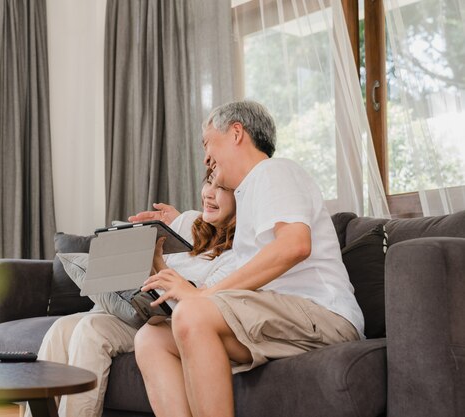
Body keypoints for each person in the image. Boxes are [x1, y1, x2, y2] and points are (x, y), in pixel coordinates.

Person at [133, 100, 364, 417]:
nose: (206, 158)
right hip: (276, 317)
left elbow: (295, 245)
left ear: (237, 133)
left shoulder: (273, 171)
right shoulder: (247, 196)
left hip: (323, 314)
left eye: (207, 143)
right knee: (153, 338)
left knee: (193, 313)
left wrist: (203, 296)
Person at [34, 171, 237, 417]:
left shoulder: (237, 255)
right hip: (138, 307)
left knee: (91, 330)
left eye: (222, 188)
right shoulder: (190, 222)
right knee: (61, 328)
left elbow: (202, 305)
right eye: (208, 182)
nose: (209, 193)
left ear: (240, 197)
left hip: (168, 322)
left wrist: (158, 265)